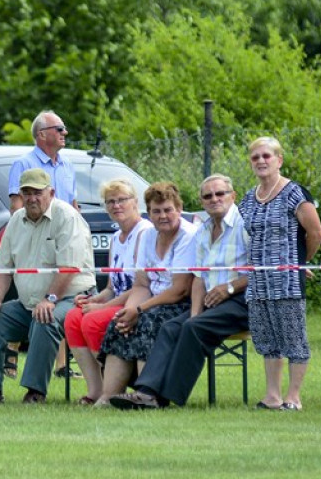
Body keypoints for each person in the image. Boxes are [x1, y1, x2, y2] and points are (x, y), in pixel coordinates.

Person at [110, 175, 250, 410]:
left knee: (193, 328)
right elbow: (198, 278)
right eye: (208, 196)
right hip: (212, 301)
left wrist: (228, 288)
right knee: (173, 326)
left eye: (220, 194)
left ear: (232, 196)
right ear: (201, 201)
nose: (214, 199)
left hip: (243, 299)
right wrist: (195, 312)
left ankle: (165, 396)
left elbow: (261, 270)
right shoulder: (204, 230)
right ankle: (146, 392)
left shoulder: (246, 225)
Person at [0, 169, 96, 404]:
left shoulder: (67, 217)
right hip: (28, 303)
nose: (31, 198)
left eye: (37, 192)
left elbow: (68, 267)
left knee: (44, 317)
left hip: (72, 299)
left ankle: (35, 392)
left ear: (51, 192)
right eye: (26, 192)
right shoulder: (16, 220)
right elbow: (4, 268)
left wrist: (50, 299)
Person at [237, 138, 321, 411]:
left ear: (279, 160)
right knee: (266, 339)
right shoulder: (249, 198)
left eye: (266, 156)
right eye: (255, 157)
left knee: (293, 338)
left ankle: (293, 397)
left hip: (287, 282)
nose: (261, 161)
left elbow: (316, 233)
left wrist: (300, 262)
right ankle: (272, 396)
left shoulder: (295, 193)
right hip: (258, 282)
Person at [99, 182, 198, 402]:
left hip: (184, 303)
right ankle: (107, 397)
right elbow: (142, 284)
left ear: (179, 209)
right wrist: (129, 311)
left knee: (148, 321)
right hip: (154, 300)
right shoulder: (148, 236)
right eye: (156, 211)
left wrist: (140, 309)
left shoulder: (188, 235)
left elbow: (180, 289)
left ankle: (147, 395)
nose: (163, 216)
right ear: (149, 213)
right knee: (120, 324)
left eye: (168, 210)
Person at [65, 179, 152, 405]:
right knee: (74, 317)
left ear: (135, 202)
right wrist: (93, 299)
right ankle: (95, 389)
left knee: (92, 321)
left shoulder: (145, 233)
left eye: (122, 200)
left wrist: (102, 307)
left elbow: (140, 286)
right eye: (110, 202)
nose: (116, 205)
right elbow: (112, 287)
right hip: (119, 300)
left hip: (139, 302)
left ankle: (113, 388)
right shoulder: (115, 238)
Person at [5, 110, 78, 379]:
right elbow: (16, 206)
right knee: (34, 297)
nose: (64, 133)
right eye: (59, 128)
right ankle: (11, 351)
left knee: (55, 296)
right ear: (42, 134)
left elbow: (72, 206)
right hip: (34, 238)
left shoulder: (67, 166)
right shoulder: (23, 163)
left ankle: (60, 366)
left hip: (60, 238)